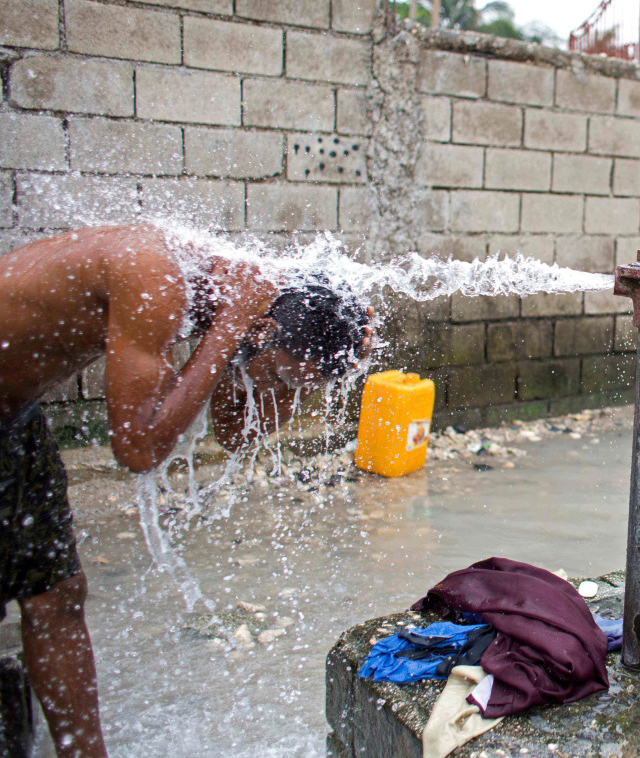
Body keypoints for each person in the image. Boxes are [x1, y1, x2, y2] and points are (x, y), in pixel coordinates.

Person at [0, 224, 373, 758]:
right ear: (263, 331)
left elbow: (237, 431)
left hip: (13, 414)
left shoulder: (254, 300)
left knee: (55, 596)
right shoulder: (156, 275)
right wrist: (227, 330)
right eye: (286, 380)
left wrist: (326, 366)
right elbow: (136, 449)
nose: (288, 393)